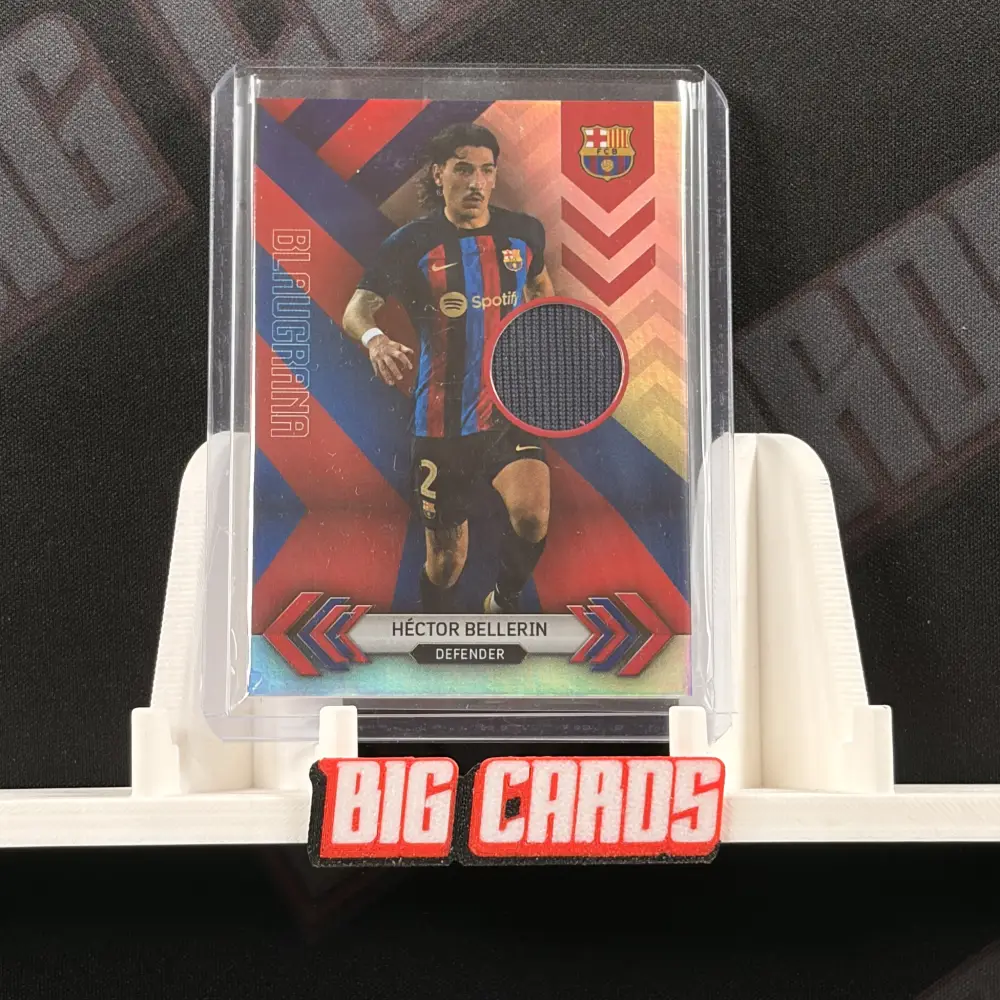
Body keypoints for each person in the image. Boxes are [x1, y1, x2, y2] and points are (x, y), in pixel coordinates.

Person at [342, 122, 555, 614]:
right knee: (445, 562)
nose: (476, 182)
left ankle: (503, 601)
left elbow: (541, 287)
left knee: (532, 519)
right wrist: (375, 341)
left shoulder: (524, 233)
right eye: (463, 169)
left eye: (486, 170)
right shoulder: (410, 243)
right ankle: (435, 626)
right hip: (441, 424)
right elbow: (357, 310)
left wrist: (544, 336)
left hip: (507, 413)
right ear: (438, 174)